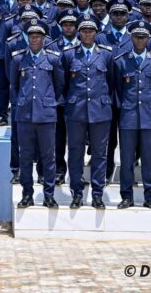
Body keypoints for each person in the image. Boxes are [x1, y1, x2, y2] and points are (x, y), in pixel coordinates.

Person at [11, 19, 65, 209]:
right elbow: (14, 85)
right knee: (25, 157)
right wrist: (21, 103)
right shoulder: (18, 58)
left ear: (44, 38)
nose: (34, 39)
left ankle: (49, 195)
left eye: (38, 36)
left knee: (48, 157)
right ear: (27, 37)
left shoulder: (53, 58)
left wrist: (50, 102)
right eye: (31, 36)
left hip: (46, 115)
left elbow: (59, 85)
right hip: (25, 115)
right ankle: (27, 194)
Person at [61, 16, 114, 209]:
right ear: (78, 33)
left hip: (100, 110)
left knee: (100, 154)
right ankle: (77, 193)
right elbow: (63, 82)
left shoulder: (106, 55)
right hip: (76, 110)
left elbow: (112, 82)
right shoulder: (69, 55)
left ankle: (98, 194)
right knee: (75, 153)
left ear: (96, 33)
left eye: (91, 31)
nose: (87, 34)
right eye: (83, 31)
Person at [112, 20, 151, 210]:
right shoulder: (121, 61)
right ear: (131, 37)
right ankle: (126, 196)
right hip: (128, 117)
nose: (140, 40)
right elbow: (117, 89)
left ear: (148, 38)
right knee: (127, 159)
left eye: (143, 37)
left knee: (150, 159)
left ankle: (150, 196)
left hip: (150, 116)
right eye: (136, 36)